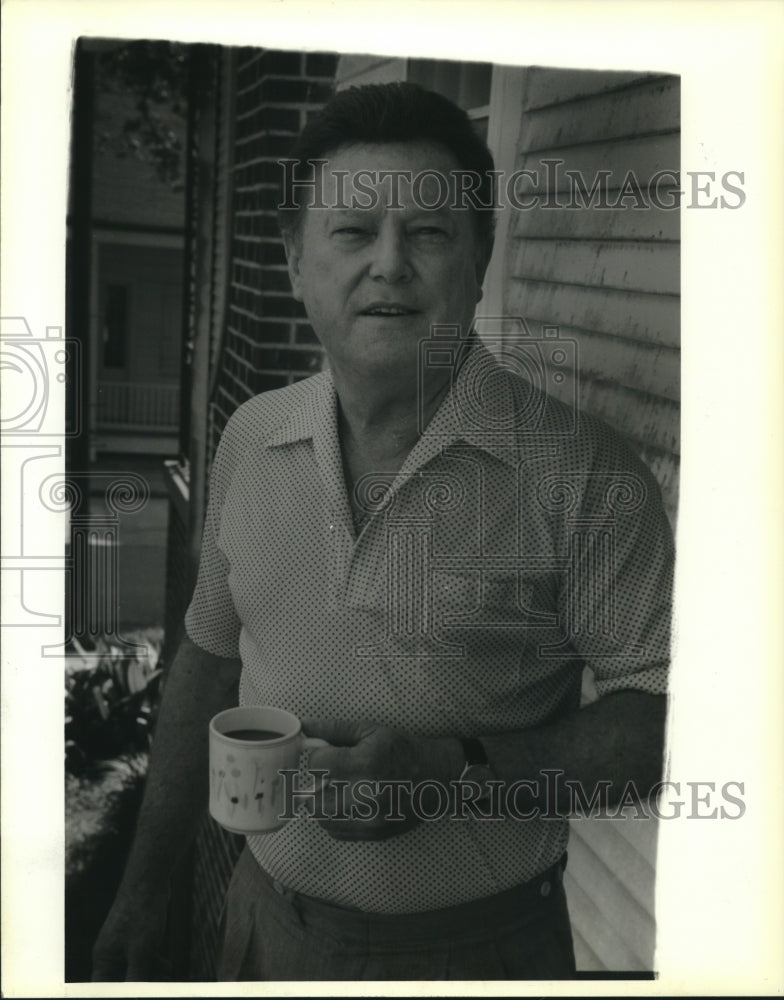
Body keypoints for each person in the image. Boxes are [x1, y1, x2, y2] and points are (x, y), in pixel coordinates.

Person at [92, 82, 673, 981]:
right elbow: (208, 657)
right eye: (353, 234)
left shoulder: (583, 474)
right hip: (261, 926)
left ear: (480, 256)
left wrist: (458, 768)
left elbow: (656, 729)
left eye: (431, 233)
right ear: (294, 263)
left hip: (483, 952)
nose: (390, 265)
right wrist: (143, 893)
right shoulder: (252, 434)